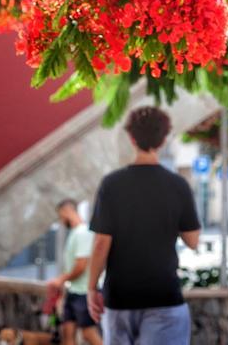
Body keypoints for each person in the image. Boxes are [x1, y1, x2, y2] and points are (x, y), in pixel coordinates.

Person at [87, 106, 201, 345]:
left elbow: (100, 244)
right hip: (164, 298)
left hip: (119, 300)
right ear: (164, 139)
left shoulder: (112, 184)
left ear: (132, 138)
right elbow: (192, 241)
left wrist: (91, 289)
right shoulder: (178, 185)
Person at [49, 199, 103, 345]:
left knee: (88, 333)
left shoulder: (83, 232)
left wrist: (61, 279)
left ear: (66, 211)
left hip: (84, 293)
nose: (61, 221)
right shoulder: (75, 233)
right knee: (68, 332)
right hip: (73, 292)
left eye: (60, 216)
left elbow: (81, 265)